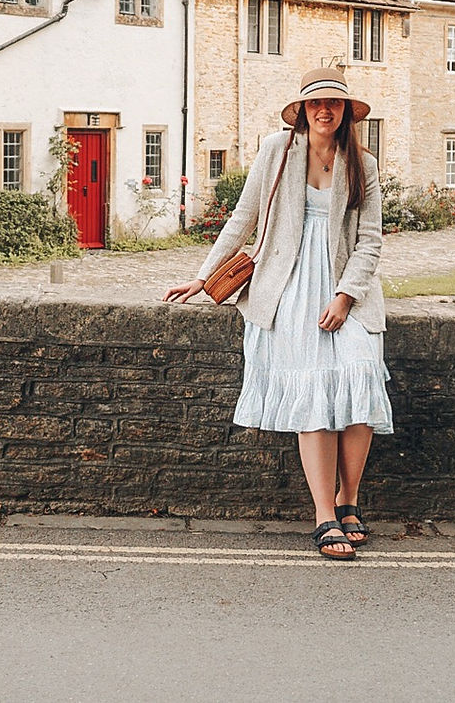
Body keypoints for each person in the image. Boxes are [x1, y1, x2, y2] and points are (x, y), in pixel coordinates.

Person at [164, 67, 392, 561]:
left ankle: (348, 499)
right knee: (313, 393)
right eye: (316, 104)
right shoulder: (276, 151)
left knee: (361, 381)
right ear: (303, 110)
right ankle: (323, 517)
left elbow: (371, 240)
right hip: (286, 288)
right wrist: (205, 277)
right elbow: (242, 219)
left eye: (334, 104)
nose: (325, 111)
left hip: (345, 288)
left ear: (348, 113)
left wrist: (346, 296)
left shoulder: (364, 165)